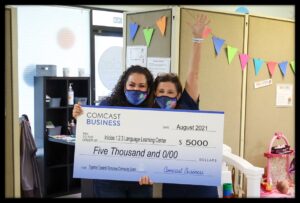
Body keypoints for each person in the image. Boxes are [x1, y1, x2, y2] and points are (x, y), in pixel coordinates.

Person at [139, 14, 219, 198]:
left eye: (170, 93)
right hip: (173, 184)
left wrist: (197, 39)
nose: (165, 96)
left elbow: (194, 74)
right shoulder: (150, 116)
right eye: (161, 92)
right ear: (155, 94)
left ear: (179, 95)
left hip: (201, 182)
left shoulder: (187, 106)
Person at [73, 65, 154, 198]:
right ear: (124, 86)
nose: (136, 89)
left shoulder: (155, 111)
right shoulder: (107, 106)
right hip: (109, 180)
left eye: (141, 86)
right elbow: (92, 134)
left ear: (148, 89)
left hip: (141, 180)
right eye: (132, 85)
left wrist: (156, 172)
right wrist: (80, 118)